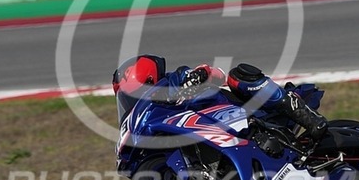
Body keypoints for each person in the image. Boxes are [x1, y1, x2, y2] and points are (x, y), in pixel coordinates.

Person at [112, 55, 328, 141]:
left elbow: (217, 74)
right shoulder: (151, 119)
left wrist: (200, 75)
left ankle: (299, 110)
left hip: (241, 113)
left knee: (238, 76)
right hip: (209, 134)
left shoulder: (175, 79)